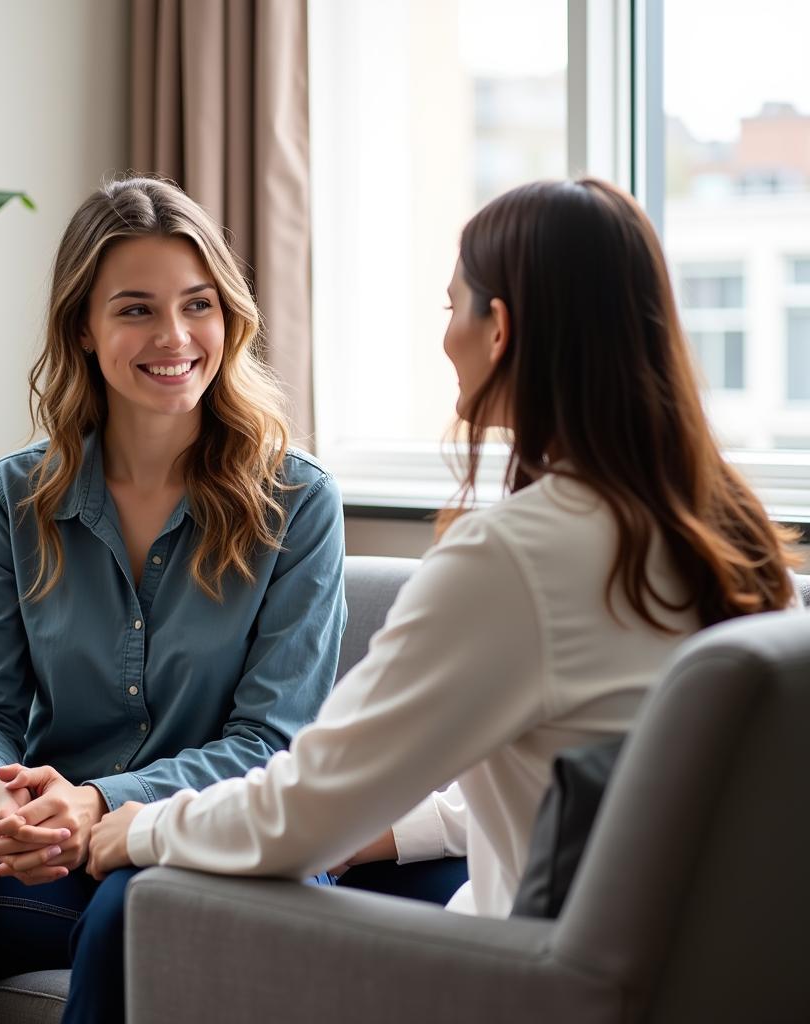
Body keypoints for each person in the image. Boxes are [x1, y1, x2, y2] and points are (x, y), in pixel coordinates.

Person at [86, 177, 800, 921]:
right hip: (689, 972)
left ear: (500, 329)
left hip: (515, 978)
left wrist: (146, 827)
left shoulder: (514, 559)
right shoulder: (734, 543)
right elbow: (553, 773)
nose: (445, 334)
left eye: (452, 305)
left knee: (137, 918)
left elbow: (308, 810)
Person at [0, 176, 346, 1024]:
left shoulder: (297, 501)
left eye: (198, 304)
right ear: (85, 330)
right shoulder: (18, 495)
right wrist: (0, 798)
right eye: (136, 309)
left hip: (209, 846)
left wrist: (101, 801)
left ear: (229, 315)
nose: (174, 336)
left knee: (136, 900)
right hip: (56, 853)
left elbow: (271, 743)